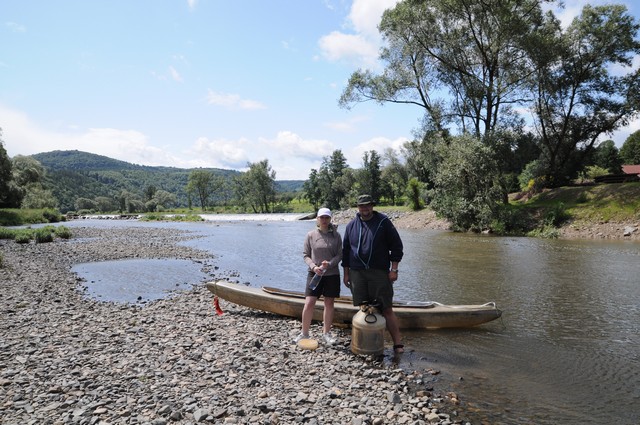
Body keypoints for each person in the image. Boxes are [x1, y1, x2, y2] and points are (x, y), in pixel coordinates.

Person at [342, 194, 405, 354]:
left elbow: (396, 246)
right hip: (357, 274)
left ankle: (397, 344)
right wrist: (346, 274)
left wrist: (394, 269)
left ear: (372, 206)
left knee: (386, 309)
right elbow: (346, 252)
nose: (365, 209)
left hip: (379, 273)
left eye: (368, 205)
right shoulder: (351, 226)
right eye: (362, 206)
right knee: (363, 307)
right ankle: (366, 342)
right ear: (358, 207)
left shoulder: (384, 222)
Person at [296, 207, 343, 345]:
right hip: (315, 273)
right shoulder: (310, 235)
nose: (324, 220)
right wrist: (314, 267)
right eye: (321, 217)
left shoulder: (337, 236)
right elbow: (305, 255)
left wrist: (330, 263)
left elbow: (340, 255)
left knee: (329, 303)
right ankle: (304, 333)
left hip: (332, 274)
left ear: (330, 219)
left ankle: (326, 334)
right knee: (309, 302)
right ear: (317, 219)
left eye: (326, 217)